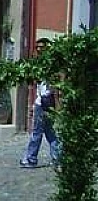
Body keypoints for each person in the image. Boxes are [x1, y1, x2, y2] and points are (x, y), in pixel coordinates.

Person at [21, 38, 61, 168]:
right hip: (43, 102)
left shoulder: (49, 66)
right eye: (37, 47)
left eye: (41, 47)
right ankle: (57, 157)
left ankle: (31, 158)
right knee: (49, 132)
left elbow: (51, 88)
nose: (38, 49)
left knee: (37, 132)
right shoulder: (40, 65)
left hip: (43, 103)